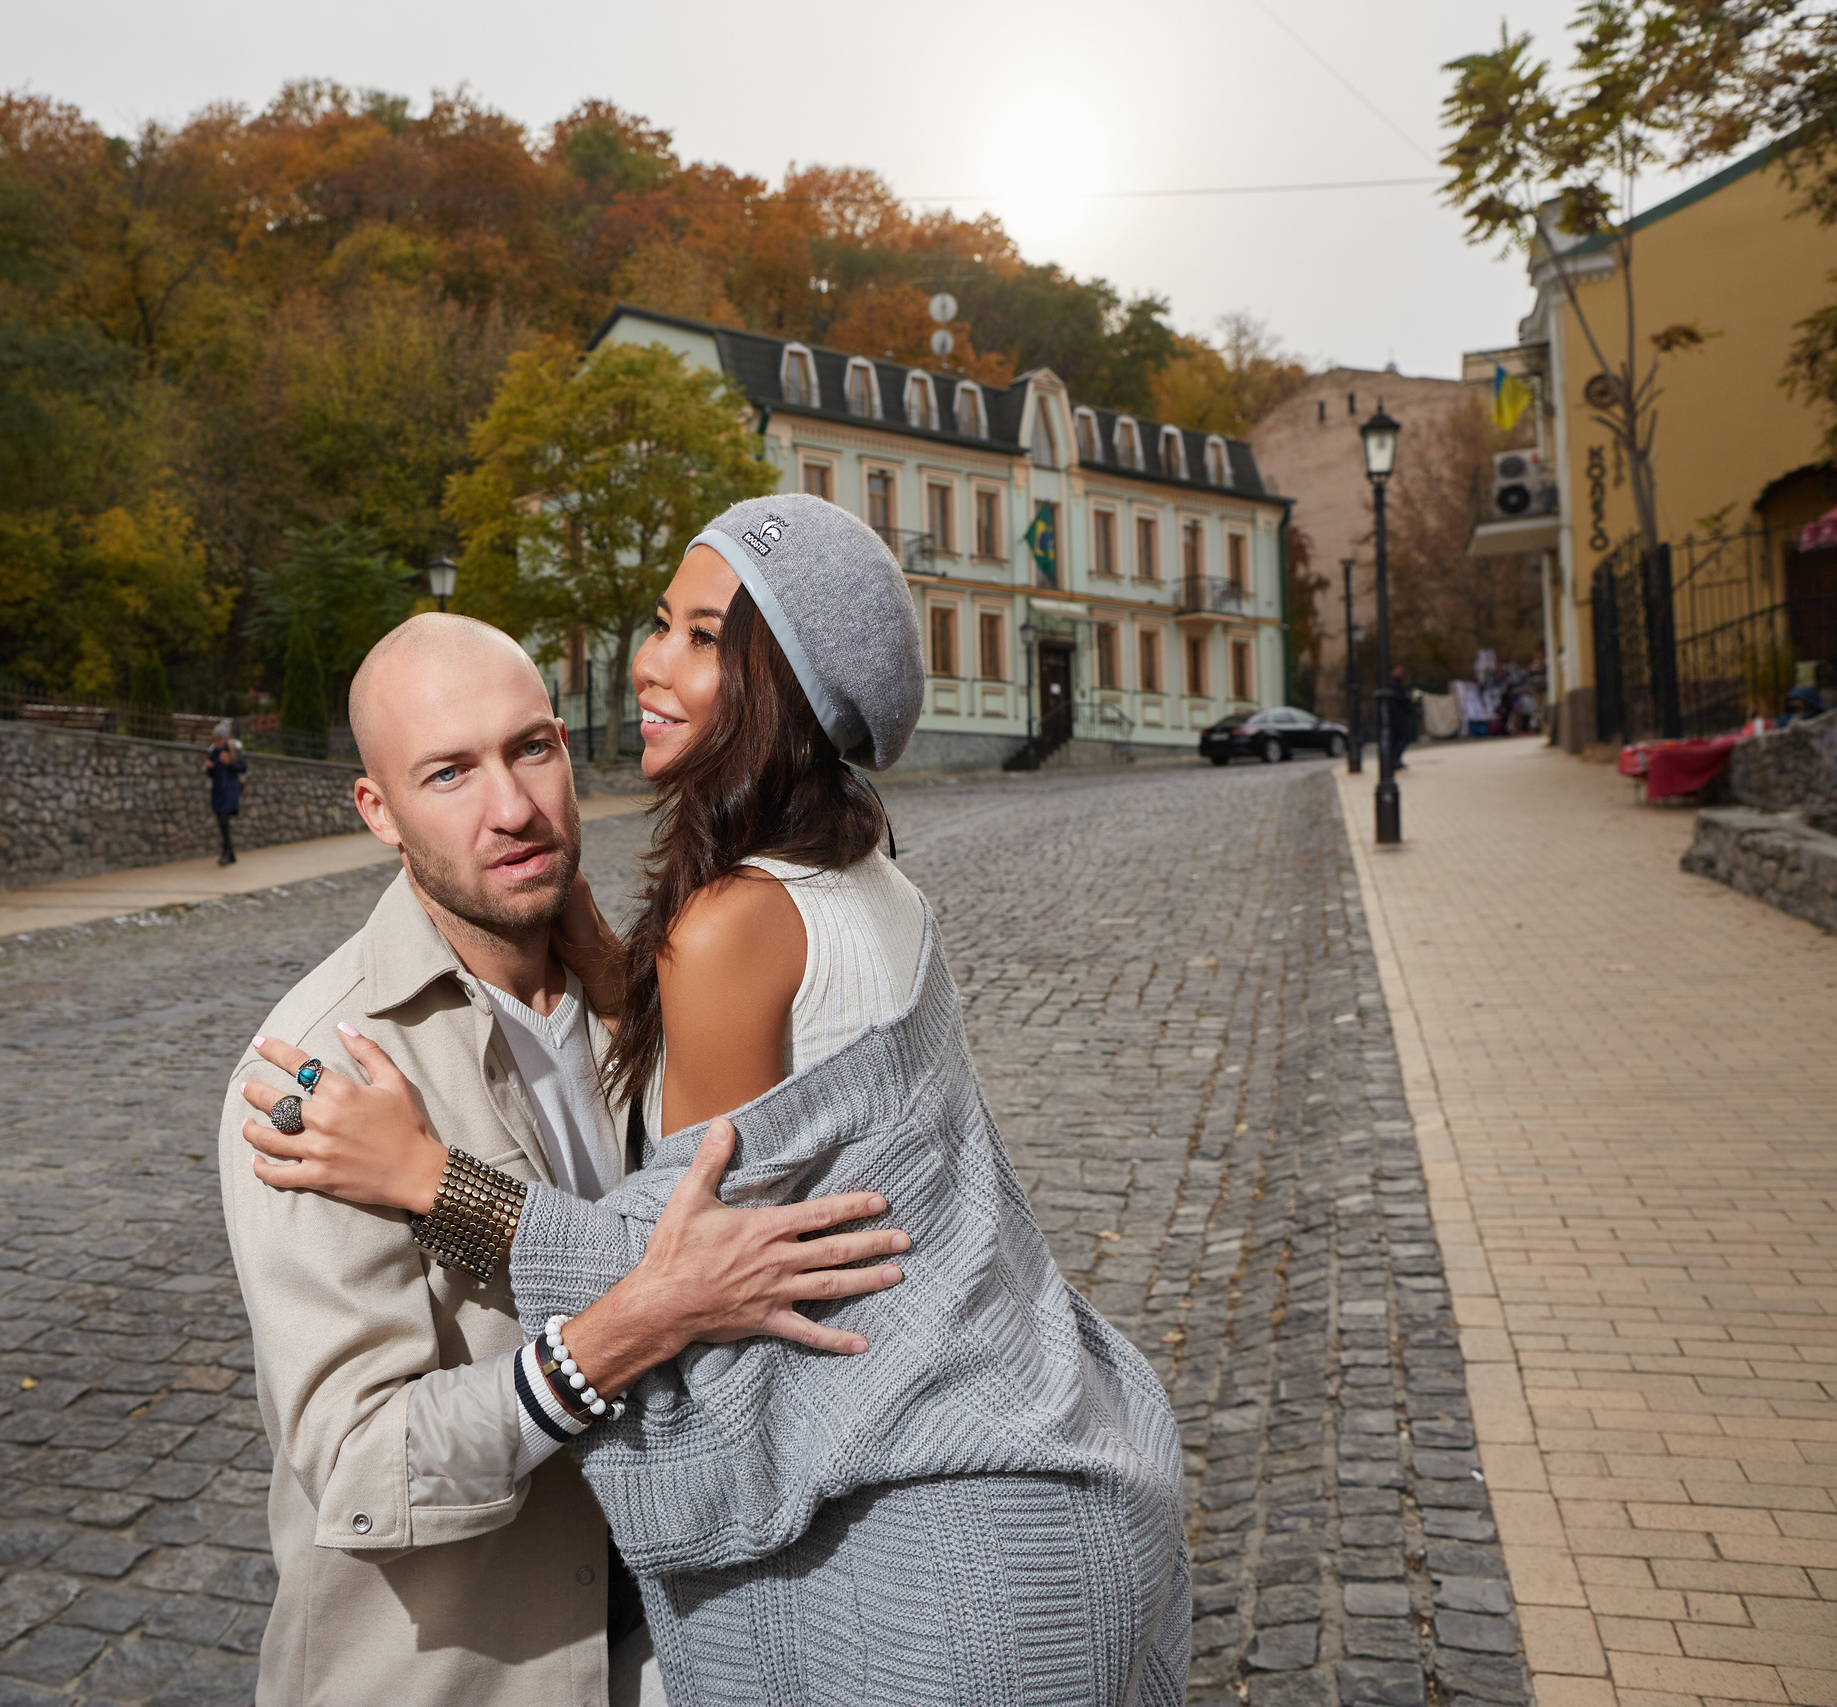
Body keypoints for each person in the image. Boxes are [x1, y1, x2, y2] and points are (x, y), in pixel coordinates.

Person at [242, 494, 1191, 1706]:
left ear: (777, 687)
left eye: (703, 637)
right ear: (376, 808)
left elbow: (678, 1264)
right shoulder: (860, 877)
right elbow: (360, 1457)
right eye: (660, 623)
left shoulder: (727, 929)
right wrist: (609, 958)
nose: (651, 662)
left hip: (945, 1579)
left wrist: (429, 1182)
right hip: (1048, 1496)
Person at [217, 614, 913, 1707]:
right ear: (377, 812)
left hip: (676, 1646)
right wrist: (634, 1326)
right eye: (448, 773)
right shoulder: (324, 1079)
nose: (512, 808)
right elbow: (361, 1469)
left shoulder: (637, 996)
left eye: (529, 749)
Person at [205, 720, 248, 866]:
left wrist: (229, 762)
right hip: (218, 792)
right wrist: (210, 767)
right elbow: (212, 774)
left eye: (220, 738)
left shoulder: (233, 750)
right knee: (222, 823)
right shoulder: (213, 752)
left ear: (225, 738)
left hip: (230, 791)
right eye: (215, 738)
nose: (217, 741)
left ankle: (226, 854)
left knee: (224, 821)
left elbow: (243, 768)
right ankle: (231, 854)